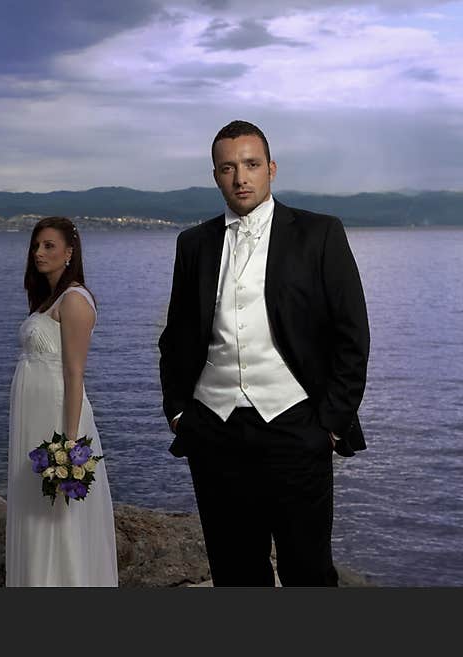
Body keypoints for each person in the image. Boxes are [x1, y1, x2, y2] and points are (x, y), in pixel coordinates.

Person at [158, 120, 370, 586]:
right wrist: (178, 411)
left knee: (308, 572)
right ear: (215, 175)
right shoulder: (192, 244)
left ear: (271, 169)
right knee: (234, 573)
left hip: (296, 426)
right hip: (213, 431)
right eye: (228, 168)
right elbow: (176, 337)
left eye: (252, 165)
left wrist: (330, 424)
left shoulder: (320, 234)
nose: (241, 178)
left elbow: (352, 336)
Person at [5, 216, 118, 587]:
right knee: (35, 508)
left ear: (69, 252)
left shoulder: (74, 300)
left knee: (57, 515)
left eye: (48, 245)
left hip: (57, 416)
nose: (39, 252)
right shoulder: (48, 300)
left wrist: (69, 444)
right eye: (36, 246)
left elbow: (74, 373)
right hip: (33, 414)